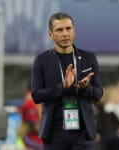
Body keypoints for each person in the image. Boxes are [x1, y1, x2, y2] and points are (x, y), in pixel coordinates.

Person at [31, 12, 103, 150]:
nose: (65, 34)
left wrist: (85, 88)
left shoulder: (89, 58)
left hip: (84, 133)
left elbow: (98, 94)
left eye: (68, 29)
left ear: (74, 32)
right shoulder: (41, 60)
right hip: (54, 132)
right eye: (59, 30)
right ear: (50, 34)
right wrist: (62, 87)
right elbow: (36, 96)